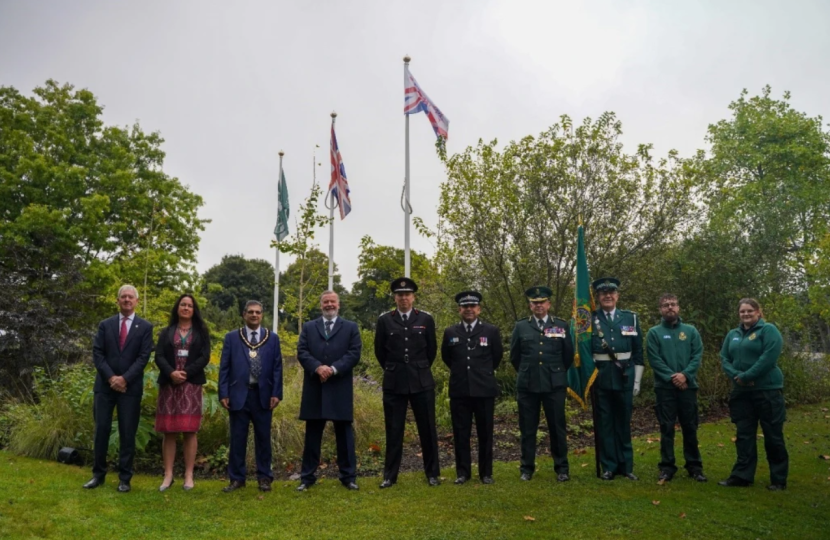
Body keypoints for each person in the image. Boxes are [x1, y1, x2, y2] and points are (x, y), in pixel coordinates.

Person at [84, 284, 154, 492]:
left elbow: (143, 357)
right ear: (117, 301)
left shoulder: (145, 327)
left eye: (130, 297)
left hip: (130, 389)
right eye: (123, 297)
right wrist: (112, 378)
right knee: (102, 430)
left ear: (136, 301)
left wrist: (124, 379)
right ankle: (98, 475)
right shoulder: (105, 325)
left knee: (127, 432)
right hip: (105, 388)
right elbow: (98, 353)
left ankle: (125, 478)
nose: (126, 300)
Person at [374, 277, 440, 488]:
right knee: (393, 429)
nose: (403, 298)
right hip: (394, 381)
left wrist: (418, 367)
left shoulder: (426, 319)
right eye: (400, 295)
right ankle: (390, 476)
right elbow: (379, 351)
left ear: (413, 297)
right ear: (395, 297)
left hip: (421, 380)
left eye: (407, 294)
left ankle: (432, 474)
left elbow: (431, 351)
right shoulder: (385, 320)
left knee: (427, 428)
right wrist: (394, 368)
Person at [718, 298, 788, 491]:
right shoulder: (733, 334)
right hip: (741, 393)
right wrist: (737, 376)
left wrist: (748, 375)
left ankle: (778, 479)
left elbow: (769, 357)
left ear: (758, 312)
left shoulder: (768, 331)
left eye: (750, 311)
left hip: (767, 391)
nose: (746, 314)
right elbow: (724, 357)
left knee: (773, 436)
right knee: (744, 435)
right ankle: (742, 476)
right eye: (742, 312)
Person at [295, 291, 362, 492]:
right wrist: (317, 367)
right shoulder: (308, 327)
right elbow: (302, 352)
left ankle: (348, 477)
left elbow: (354, 353)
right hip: (315, 387)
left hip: (339, 387)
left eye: (332, 301)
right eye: (326, 301)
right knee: (312, 436)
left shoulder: (350, 328)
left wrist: (333, 369)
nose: (329, 304)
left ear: (338, 305)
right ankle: (307, 478)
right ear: (320, 305)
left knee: (344, 436)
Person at [510, 286, 574, 482]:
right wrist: (528, 372)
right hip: (528, 385)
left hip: (554, 385)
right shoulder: (521, 326)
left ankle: (562, 468)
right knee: (528, 428)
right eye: (535, 303)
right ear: (530, 305)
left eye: (542, 302)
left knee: (557, 427)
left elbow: (568, 355)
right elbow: (515, 357)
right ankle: (526, 469)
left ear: (549, 304)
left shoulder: (561, 325)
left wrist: (555, 372)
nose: (539, 306)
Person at [218, 300, 283, 493]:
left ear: (262, 315)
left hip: (263, 395)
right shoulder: (232, 338)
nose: (254, 315)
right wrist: (224, 392)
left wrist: (276, 393)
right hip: (238, 395)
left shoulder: (272, 338)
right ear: (244, 314)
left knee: (263, 439)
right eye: (250, 312)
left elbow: (278, 368)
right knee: (238, 439)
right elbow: (225, 367)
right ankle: (237, 478)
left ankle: (264, 478)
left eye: (258, 312)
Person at [441, 291, 503, 485]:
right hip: (460, 389)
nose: (469, 310)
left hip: (484, 389)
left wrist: (481, 373)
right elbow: (447, 357)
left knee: (485, 433)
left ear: (479, 309)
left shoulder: (491, 331)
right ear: (459, 309)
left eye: (472, 306)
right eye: (465, 307)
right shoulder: (450, 332)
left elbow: (496, 357)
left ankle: (486, 473)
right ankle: (463, 472)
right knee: (461, 432)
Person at [645, 293, 707, 482]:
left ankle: (694, 466)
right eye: (665, 305)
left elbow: (697, 355)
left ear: (678, 308)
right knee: (667, 427)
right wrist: (673, 377)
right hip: (665, 389)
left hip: (688, 387)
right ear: (660, 310)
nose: (670, 307)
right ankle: (667, 466)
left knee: (690, 426)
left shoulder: (690, 331)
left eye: (673, 304)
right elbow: (654, 359)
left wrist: (685, 375)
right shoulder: (654, 333)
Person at [154, 294, 211, 492]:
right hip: (169, 385)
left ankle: (188, 475)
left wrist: (187, 373)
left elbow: (205, 356)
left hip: (191, 385)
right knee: (169, 431)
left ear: (194, 310)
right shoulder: (167, 332)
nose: (186, 308)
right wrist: (171, 372)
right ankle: (168, 475)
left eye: (190, 305)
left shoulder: (201, 332)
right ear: (177, 308)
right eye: (183, 305)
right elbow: (159, 355)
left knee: (189, 430)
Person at [590, 277, 644, 481]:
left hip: (625, 377)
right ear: (598, 297)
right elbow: (586, 352)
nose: (608, 296)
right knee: (605, 423)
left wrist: (637, 381)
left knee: (623, 421)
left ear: (617, 295)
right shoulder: (590, 319)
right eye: (603, 294)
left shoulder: (630, 318)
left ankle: (626, 465)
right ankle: (609, 466)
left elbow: (638, 351)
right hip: (601, 377)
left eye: (611, 293)